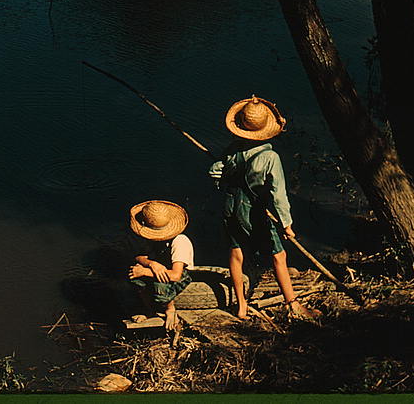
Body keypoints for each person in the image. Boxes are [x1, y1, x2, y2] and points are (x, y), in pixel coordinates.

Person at [208, 96, 319, 321]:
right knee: (279, 255)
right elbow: (278, 195)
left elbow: (214, 171)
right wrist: (286, 224)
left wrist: (223, 182)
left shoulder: (232, 151)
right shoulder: (270, 157)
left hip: (230, 208)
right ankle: (293, 305)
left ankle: (241, 307)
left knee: (236, 254)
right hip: (253, 211)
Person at [127, 199, 194, 332]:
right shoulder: (153, 240)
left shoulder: (180, 242)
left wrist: (145, 272)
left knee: (160, 284)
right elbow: (139, 256)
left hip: (179, 274)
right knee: (134, 273)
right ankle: (149, 310)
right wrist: (152, 264)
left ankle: (170, 310)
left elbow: (175, 275)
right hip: (160, 268)